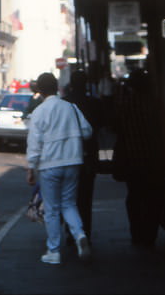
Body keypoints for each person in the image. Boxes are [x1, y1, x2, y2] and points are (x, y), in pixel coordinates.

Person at [26, 72, 92, 265]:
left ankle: (53, 250)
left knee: (52, 209)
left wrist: (31, 167)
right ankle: (79, 234)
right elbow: (87, 132)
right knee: (69, 203)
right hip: (72, 162)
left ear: (39, 90)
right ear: (57, 87)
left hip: (49, 165)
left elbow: (34, 143)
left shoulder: (39, 112)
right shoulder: (71, 107)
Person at [110, 67, 165, 248]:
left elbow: (116, 128)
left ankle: (137, 233)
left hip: (133, 159)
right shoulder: (155, 103)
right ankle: (150, 234)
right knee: (154, 198)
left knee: (135, 197)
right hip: (154, 159)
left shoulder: (126, 105)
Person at [63, 69, 104, 242]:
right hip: (88, 156)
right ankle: (85, 230)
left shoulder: (64, 103)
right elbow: (101, 126)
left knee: (68, 198)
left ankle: (72, 232)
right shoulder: (94, 103)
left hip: (68, 155)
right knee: (86, 197)